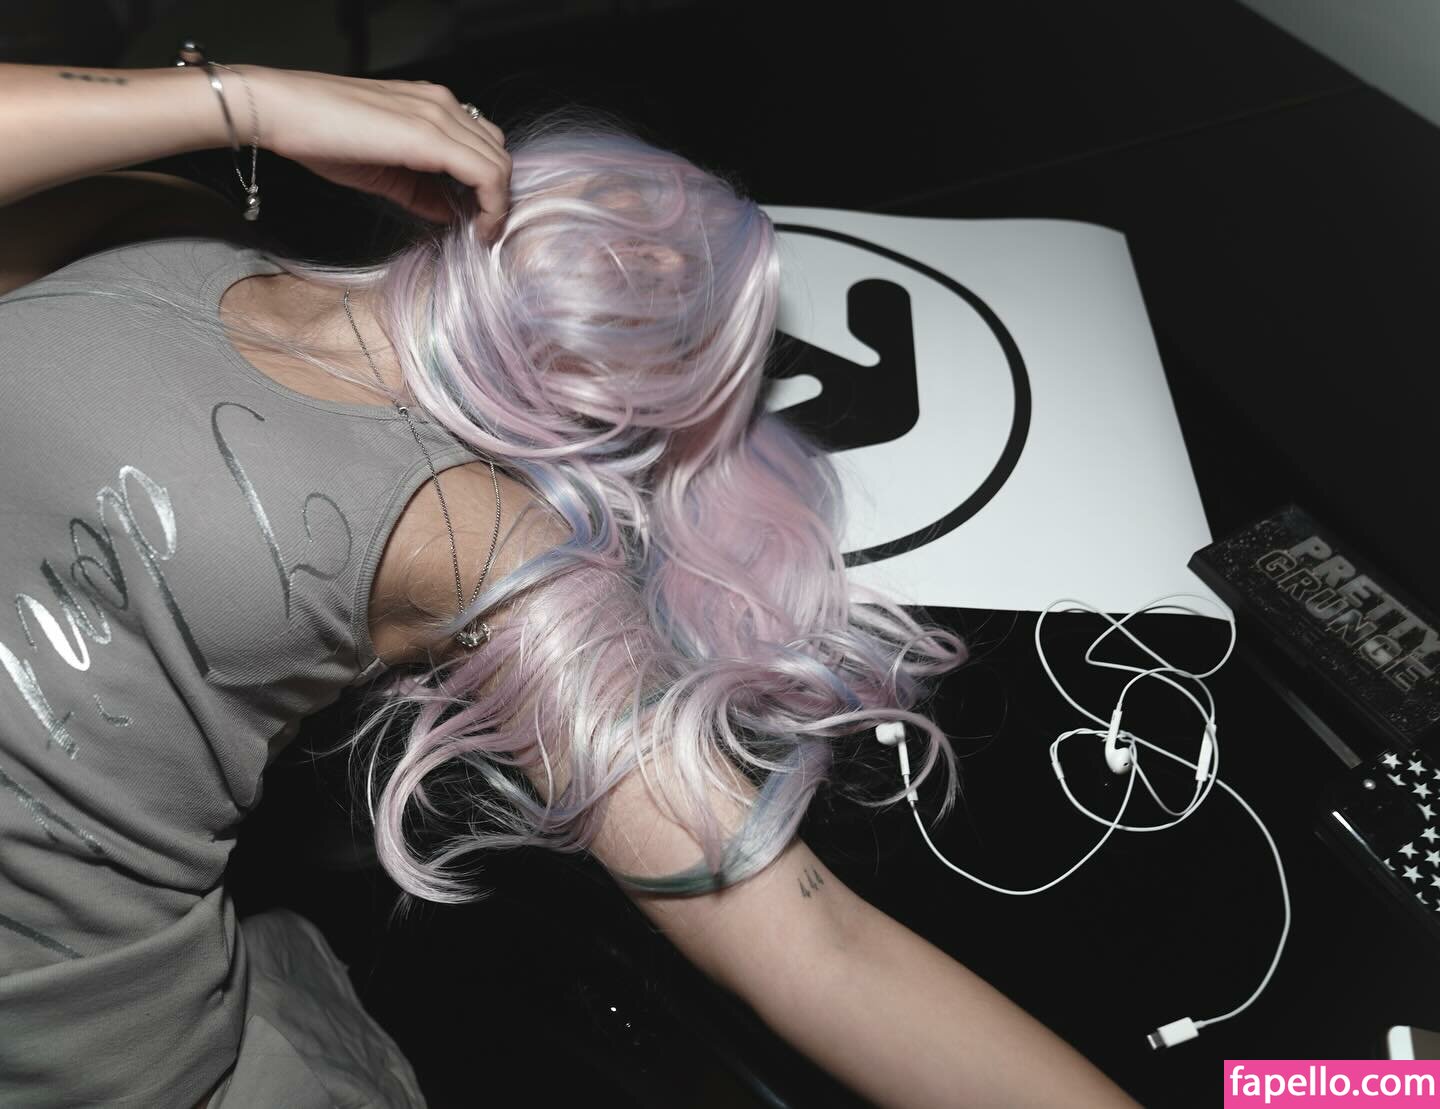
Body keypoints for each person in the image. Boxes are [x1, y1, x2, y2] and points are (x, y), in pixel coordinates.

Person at [0, 59, 1141, 1108]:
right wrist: (237, 99)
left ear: (649, 411)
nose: (656, 254)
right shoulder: (165, 232)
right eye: (649, 200)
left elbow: (820, 949)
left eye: (695, 287)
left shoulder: (481, 537)